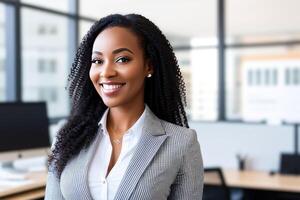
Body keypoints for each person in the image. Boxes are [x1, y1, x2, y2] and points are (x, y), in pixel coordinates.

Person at [45, 13, 203, 200]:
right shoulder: (68, 137)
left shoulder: (182, 143)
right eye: (97, 61)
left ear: (149, 66)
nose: (106, 72)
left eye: (122, 59)